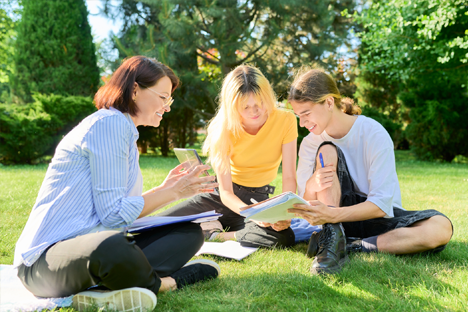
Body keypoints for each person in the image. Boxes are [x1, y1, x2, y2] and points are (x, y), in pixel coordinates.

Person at [13, 56, 220, 311]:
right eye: (163, 97)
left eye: (170, 99)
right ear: (135, 90)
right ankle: (165, 283)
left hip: (88, 250)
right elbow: (113, 216)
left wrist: (165, 189)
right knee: (111, 245)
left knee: (188, 233)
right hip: (43, 264)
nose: (167, 107)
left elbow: (119, 212)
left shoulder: (125, 134)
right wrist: (172, 192)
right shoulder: (109, 125)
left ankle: (108, 286)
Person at [286, 68, 453, 275]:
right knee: (327, 150)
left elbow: (381, 205)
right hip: (334, 220)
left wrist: (333, 214)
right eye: (298, 116)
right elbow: (307, 204)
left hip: (375, 218)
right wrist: (312, 185)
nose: (302, 123)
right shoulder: (311, 144)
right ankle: (331, 241)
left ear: (329, 102)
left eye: (306, 114)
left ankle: (352, 246)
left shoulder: (372, 132)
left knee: (440, 227)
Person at [158, 64, 298, 248]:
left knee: (283, 237)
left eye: (259, 103)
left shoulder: (286, 120)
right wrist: (250, 215)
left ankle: (215, 235)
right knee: (159, 225)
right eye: (245, 107)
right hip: (221, 198)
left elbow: (289, 176)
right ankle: (211, 226)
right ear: (232, 105)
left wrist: (283, 214)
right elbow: (225, 193)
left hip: (258, 199)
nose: (254, 111)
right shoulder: (221, 128)